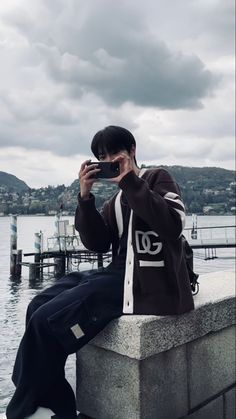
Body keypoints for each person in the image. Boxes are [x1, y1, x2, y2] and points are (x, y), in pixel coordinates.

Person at [5, 125, 194, 419]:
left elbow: (173, 225)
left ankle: (22, 408)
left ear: (131, 151)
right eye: (102, 157)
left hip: (147, 282)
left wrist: (131, 180)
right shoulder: (115, 200)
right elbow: (97, 244)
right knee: (37, 305)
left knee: (47, 320)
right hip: (117, 272)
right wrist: (84, 197)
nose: (109, 162)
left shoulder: (156, 178)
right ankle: (55, 402)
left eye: (114, 154)